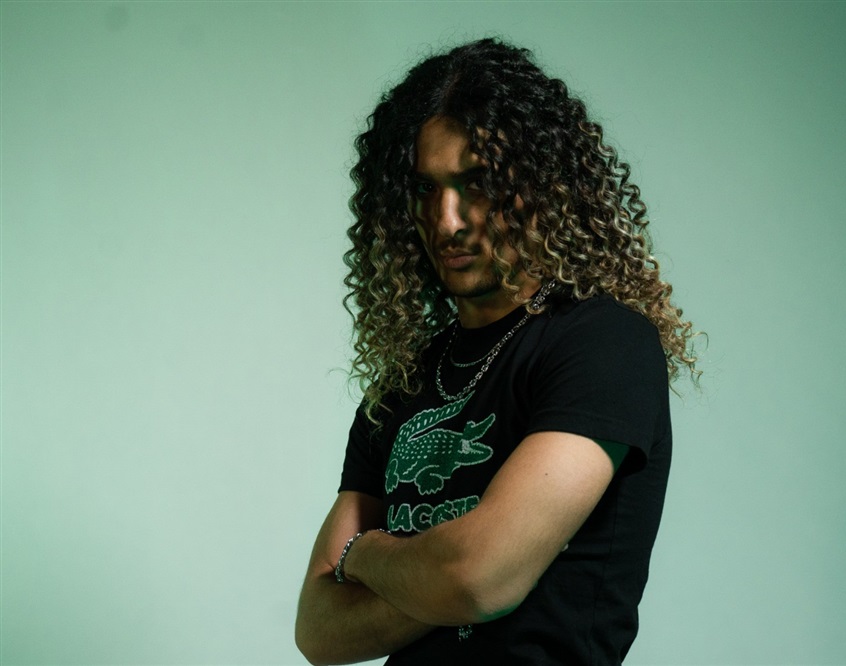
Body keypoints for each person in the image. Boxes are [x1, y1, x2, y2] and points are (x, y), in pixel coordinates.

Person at [295, 38, 698, 665]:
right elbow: (319, 630)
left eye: (477, 184)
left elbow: (479, 581)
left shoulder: (605, 344)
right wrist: (440, 578)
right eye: (424, 189)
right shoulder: (403, 385)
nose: (448, 221)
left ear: (540, 187)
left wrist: (363, 554)